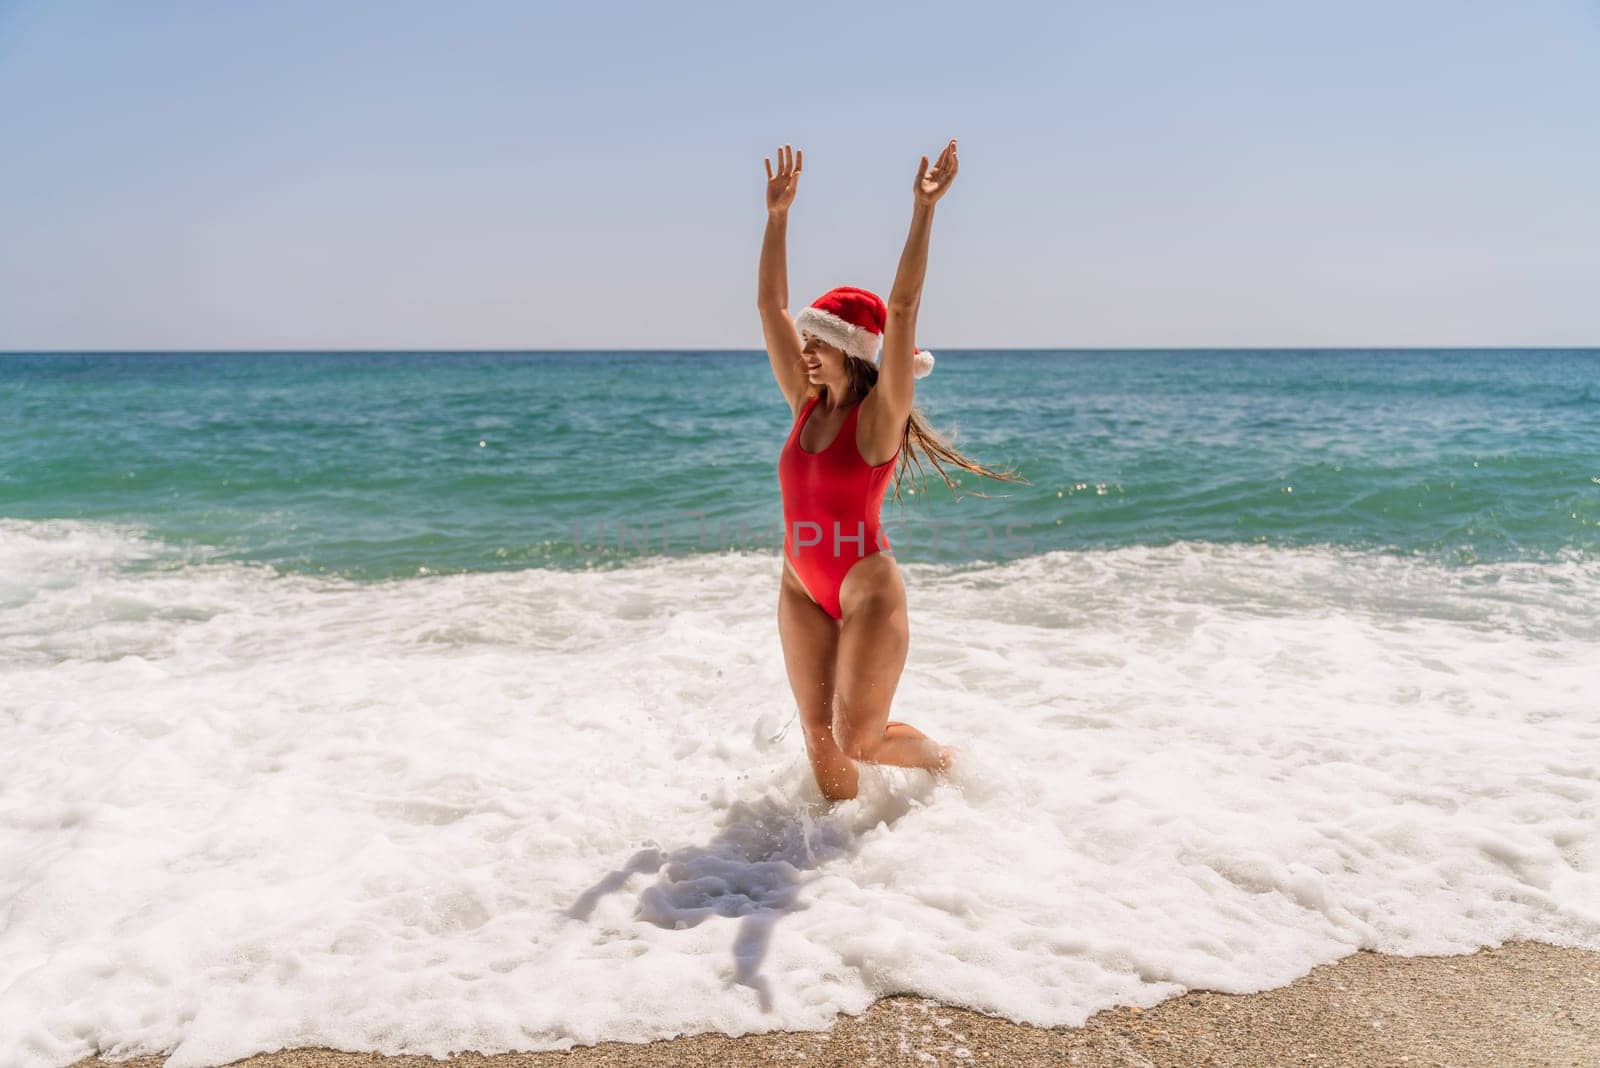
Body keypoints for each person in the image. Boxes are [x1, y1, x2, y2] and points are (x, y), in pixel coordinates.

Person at [758, 140, 1023, 801]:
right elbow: (771, 308)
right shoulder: (804, 402)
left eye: (819, 344)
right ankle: (842, 885)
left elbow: (901, 312)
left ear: (851, 352)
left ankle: (944, 763)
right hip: (800, 583)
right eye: (808, 341)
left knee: (859, 740)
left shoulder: (879, 421)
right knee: (821, 745)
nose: (806, 352)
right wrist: (778, 218)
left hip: (864, 588)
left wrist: (924, 210)